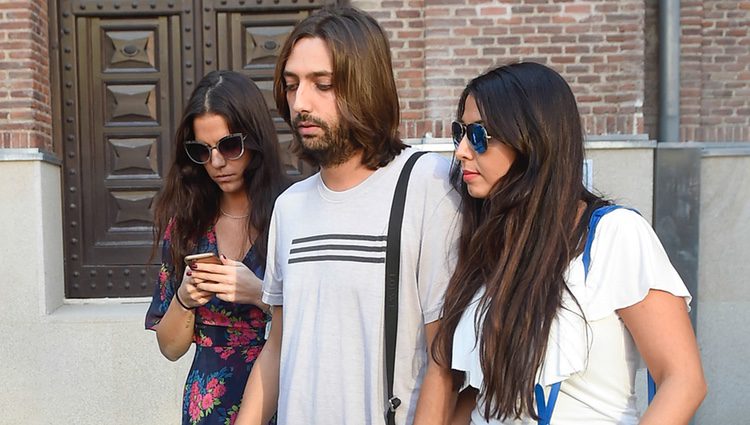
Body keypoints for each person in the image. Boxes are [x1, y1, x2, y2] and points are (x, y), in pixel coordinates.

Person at [420, 62, 707, 425]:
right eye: (459, 132)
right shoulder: (491, 246)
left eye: (479, 135)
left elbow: (683, 381)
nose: (461, 150)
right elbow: (483, 400)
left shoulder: (613, 234)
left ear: (532, 139)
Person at [235, 6, 461, 425]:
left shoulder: (426, 183)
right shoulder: (291, 206)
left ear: (366, 86)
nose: (300, 103)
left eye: (323, 84)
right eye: (290, 85)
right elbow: (279, 344)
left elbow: (444, 360)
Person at [145, 70, 286, 425]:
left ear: (255, 141)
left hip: (284, 398)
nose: (217, 163)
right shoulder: (188, 227)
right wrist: (185, 298)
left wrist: (259, 294)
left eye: (229, 146)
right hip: (207, 407)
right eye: (201, 151)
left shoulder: (292, 213)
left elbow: (323, 326)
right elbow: (170, 348)